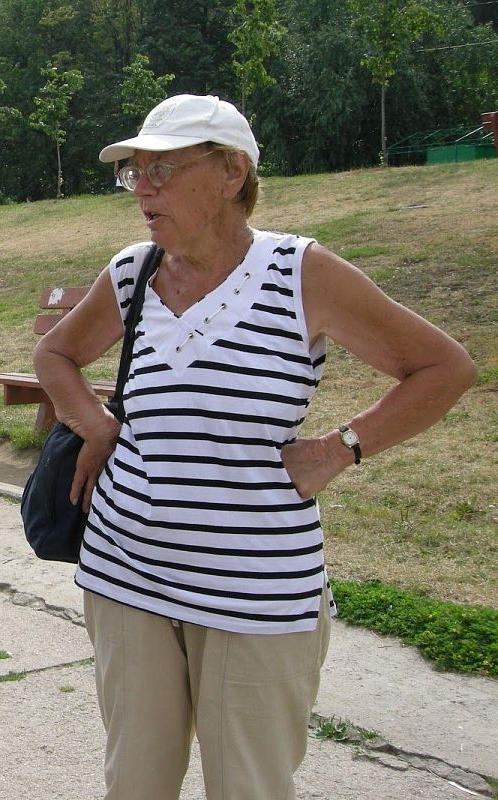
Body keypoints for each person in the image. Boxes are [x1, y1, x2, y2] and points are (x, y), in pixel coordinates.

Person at [33, 94, 476, 800]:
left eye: (162, 171)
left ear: (233, 171)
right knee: (134, 785)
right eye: (133, 174)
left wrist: (342, 448)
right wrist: (97, 424)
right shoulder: (134, 273)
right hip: (125, 576)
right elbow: (56, 355)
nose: (142, 190)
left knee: (250, 789)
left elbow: (445, 368)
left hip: (256, 592)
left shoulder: (301, 273)